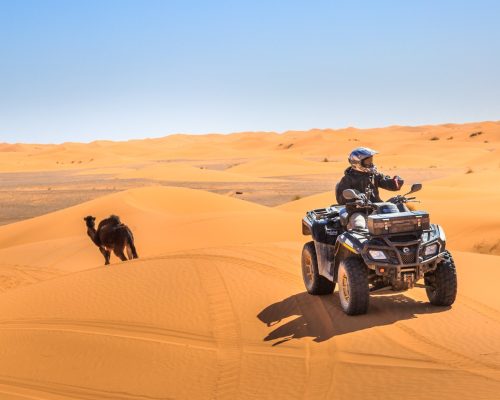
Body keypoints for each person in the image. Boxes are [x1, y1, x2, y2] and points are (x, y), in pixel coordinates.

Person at [336, 147, 404, 229]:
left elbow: (385, 182)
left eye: (371, 160)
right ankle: (359, 241)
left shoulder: (373, 175)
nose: (371, 163)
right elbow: (342, 197)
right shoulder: (347, 179)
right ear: (357, 162)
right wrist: (356, 198)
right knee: (359, 225)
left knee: (399, 220)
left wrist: (395, 182)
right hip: (358, 211)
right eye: (367, 161)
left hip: (377, 208)